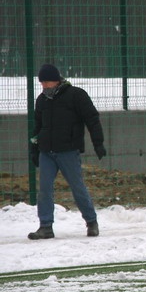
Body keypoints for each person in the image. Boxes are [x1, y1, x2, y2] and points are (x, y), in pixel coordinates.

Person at [28, 64, 107, 239]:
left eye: (47, 82)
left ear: (57, 80)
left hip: (68, 151)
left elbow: (92, 119)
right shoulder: (42, 100)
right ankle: (46, 226)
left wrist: (98, 143)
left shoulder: (76, 96)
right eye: (42, 83)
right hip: (46, 152)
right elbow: (38, 127)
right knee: (45, 190)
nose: (44, 86)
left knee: (77, 188)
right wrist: (34, 149)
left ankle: (91, 222)